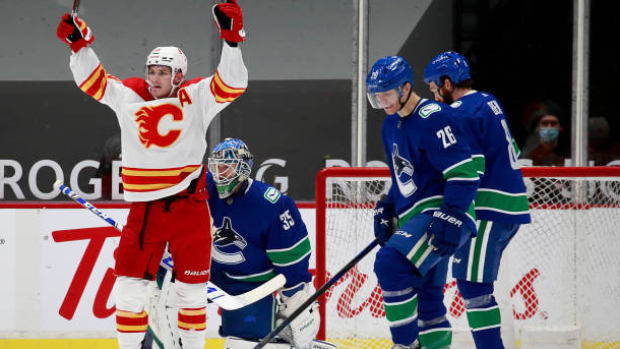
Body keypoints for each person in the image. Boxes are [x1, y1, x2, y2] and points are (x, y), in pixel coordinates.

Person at [56, 1, 248, 348]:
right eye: (151, 70)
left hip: (189, 208)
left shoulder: (196, 97)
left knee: (190, 296)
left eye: (162, 72)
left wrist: (232, 40)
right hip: (144, 212)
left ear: (178, 75)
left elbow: (232, 84)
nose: (154, 77)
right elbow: (92, 81)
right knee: (129, 292)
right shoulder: (130, 96)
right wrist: (79, 46)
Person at [368, 56, 480, 349]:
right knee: (428, 304)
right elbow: (403, 177)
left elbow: (464, 172)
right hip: (416, 217)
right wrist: (388, 206)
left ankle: (404, 345)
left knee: (391, 263)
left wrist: (453, 214)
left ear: (406, 88)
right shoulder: (390, 124)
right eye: (376, 97)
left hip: (441, 214)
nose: (382, 102)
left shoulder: (434, 116)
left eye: (387, 94)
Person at [424, 51, 531, 349]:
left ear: (446, 83)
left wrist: (448, 207)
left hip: (488, 209)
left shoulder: (459, 112)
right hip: (509, 205)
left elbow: (470, 170)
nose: (433, 95)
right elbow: (515, 149)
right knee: (474, 284)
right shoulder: (488, 101)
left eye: (434, 88)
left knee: (474, 287)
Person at [205, 138, 333, 349]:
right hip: (211, 274)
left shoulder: (271, 204)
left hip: (252, 285)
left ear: (243, 168)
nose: (220, 173)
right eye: (216, 167)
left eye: (226, 168)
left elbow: (292, 259)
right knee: (171, 299)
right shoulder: (204, 188)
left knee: (240, 344)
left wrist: (294, 295)